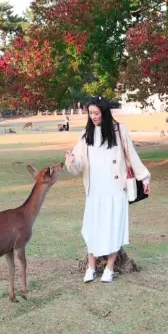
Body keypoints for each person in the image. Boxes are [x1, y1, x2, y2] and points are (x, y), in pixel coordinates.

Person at [65, 96, 150, 284]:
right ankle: (91, 267)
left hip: (115, 189)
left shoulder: (119, 131)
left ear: (104, 112)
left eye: (96, 113)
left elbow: (132, 156)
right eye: (90, 114)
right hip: (94, 190)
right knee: (91, 228)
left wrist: (143, 177)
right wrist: (71, 161)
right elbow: (78, 165)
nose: (93, 117)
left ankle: (110, 268)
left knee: (113, 227)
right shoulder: (85, 134)